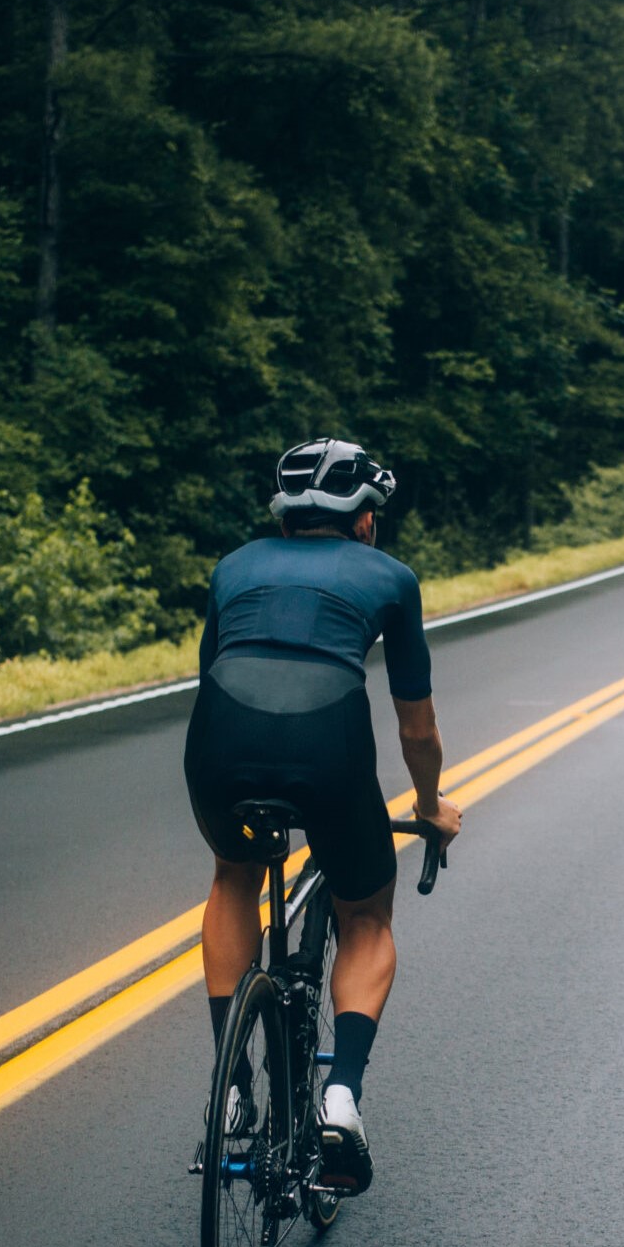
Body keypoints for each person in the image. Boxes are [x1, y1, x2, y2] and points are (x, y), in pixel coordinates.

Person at [184, 437, 462, 1195]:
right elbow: (417, 729)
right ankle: (341, 1098)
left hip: (218, 744)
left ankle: (232, 1086)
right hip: (328, 751)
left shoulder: (233, 567)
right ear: (365, 519)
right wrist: (431, 807)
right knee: (366, 914)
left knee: (234, 875)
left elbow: (217, 668)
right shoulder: (391, 579)